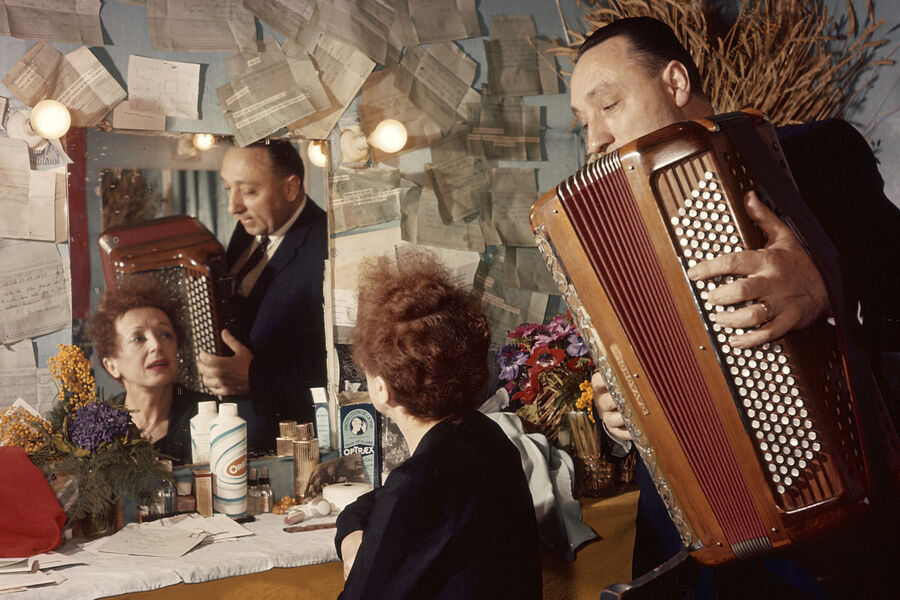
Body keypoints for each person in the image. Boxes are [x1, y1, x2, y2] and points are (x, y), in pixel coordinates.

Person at [570, 16, 900, 599]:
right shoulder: (611, 227)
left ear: (675, 83)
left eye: (609, 105)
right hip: (697, 543)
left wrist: (826, 283)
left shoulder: (815, 151)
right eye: (583, 122)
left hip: (841, 536)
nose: (594, 138)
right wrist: (621, 404)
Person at [334, 250, 542, 600]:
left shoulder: (416, 483)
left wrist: (353, 540)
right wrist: (351, 532)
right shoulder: (485, 436)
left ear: (382, 389)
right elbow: (378, 502)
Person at [197, 139, 328, 453]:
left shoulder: (326, 246)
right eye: (228, 188)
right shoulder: (250, 228)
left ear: (291, 188)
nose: (233, 207)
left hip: (280, 438)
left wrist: (254, 378)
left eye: (248, 191)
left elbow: (340, 372)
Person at [91, 276, 211, 465]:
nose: (156, 345)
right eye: (138, 338)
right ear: (112, 365)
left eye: (165, 334)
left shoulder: (209, 414)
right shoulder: (99, 424)